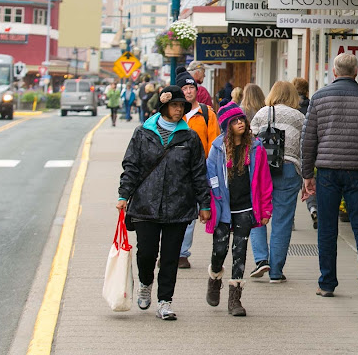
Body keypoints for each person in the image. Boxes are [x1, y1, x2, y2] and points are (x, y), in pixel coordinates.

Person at [116, 85, 211, 321]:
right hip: (145, 205)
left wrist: (205, 204)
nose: (179, 109)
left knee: (170, 257)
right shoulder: (143, 133)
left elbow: (199, 172)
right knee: (146, 253)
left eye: (182, 106)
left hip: (179, 205)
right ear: (164, 107)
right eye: (175, 105)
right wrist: (123, 195)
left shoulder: (189, 137)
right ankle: (146, 283)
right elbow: (131, 166)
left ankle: (165, 302)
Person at [301, 53, 358, 299]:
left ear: (334, 72)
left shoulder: (319, 98)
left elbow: (308, 139)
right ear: (356, 73)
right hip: (357, 171)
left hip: (327, 171)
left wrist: (307, 174)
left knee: (327, 227)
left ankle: (327, 282)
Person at [205, 103, 273, 316]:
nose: (240, 123)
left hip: (245, 207)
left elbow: (264, 181)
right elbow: (210, 178)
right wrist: (207, 205)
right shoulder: (217, 149)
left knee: (240, 251)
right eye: (234, 121)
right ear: (227, 126)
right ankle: (215, 278)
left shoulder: (256, 147)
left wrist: (265, 210)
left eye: (242, 119)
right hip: (223, 207)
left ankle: (235, 298)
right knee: (220, 250)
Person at [248, 81, 305, 282]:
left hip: (262, 168)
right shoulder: (299, 117)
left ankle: (261, 260)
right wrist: (307, 178)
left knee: (257, 213)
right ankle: (275, 272)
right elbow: (304, 148)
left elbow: (249, 141)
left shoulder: (262, 113)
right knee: (283, 220)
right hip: (289, 169)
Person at [176, 67, 220, 269]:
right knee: (171, 211)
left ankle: (182, 253)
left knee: (190, 213)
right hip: (175, 169)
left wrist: (211, 170)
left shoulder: (206, 113)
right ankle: (169, 250)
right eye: (184, 88)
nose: (188, 91)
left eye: (191, 87)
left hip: (197, 170)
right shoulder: (174, 114)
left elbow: (214, 143)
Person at [292, 77, 317, 228]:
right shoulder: (312, 106)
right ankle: (314, 208)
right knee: (310, 181)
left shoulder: (292, 107)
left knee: (293, 187)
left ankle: (291, 220)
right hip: (310, 150)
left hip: (294, 151)